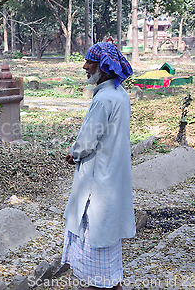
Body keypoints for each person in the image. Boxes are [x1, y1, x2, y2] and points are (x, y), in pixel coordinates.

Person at [62, 42, 136, 290]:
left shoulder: (104, 99)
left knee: (94, 259)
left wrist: (73, 153)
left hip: (98, 184)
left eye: (90, 62)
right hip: (111, 178)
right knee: (109, 260)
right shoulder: (120, 94)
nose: (85, 66)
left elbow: (86, 142)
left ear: (104, 67)